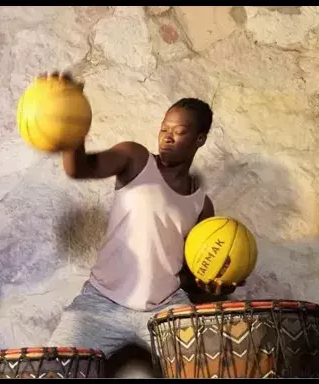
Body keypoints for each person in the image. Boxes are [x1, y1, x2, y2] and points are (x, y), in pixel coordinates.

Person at [41, 72, 243, 360]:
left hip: (166, 309)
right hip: (101, 303)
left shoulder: (202, 206)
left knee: (212, 366)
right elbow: (79, 169)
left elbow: (189, 275)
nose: (168, 137)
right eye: (164, 129)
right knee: (52, 368)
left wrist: (215, 283)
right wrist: (71, 123)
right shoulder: (135, 159)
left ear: (200, 139)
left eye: (180, 131)